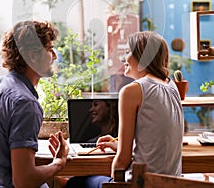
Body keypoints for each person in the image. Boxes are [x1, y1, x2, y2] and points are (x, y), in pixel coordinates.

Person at [66, 31, 184, 188]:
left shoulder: (132, 91)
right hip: (169, 183)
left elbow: (122, 159)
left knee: (74, 183)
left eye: (128, 52)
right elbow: (156, 138)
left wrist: (114, 181)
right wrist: (117, 144)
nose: (123, 58)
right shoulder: (171, 86)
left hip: (139, 184)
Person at [0, 20, 69, 188]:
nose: (55, 56)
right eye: (50, 49)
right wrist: (59, 163)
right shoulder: (25, 104)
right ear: (33, 55)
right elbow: (24, 181)